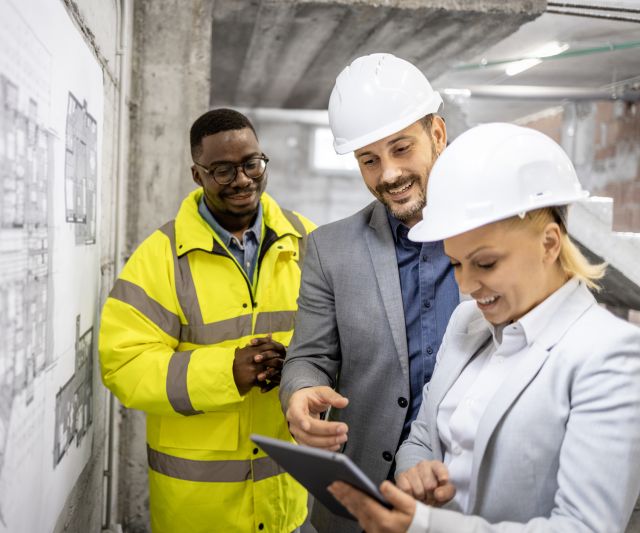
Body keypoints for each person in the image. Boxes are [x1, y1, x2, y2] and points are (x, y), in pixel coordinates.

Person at [328, 123, 640, 532]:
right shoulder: (467, 323)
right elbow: (422, 436)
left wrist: (425, 525)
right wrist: (417, 471)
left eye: (486, 263)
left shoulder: (609, 353)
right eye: (456, 263)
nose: (466, 285)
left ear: (549, 243)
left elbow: (585, 528)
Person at [99, 108, 314, 533]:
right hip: (196, 512)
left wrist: (294, 361)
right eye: (222, 169)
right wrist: (226, 371)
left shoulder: (308, 241)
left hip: (286, 503)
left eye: (252, 163)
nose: (242, 179)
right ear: (197, 175)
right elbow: (123, 365)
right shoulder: (160, 257)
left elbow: (340, 339)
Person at [279, 53, 459, 532]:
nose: (388, 175)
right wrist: (298, 394)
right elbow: (308, 356)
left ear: (437, 135)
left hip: (467, 499)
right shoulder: (328, 249)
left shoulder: (493, 242)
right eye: (369, 160)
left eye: (402, 149)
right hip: (359, 506)